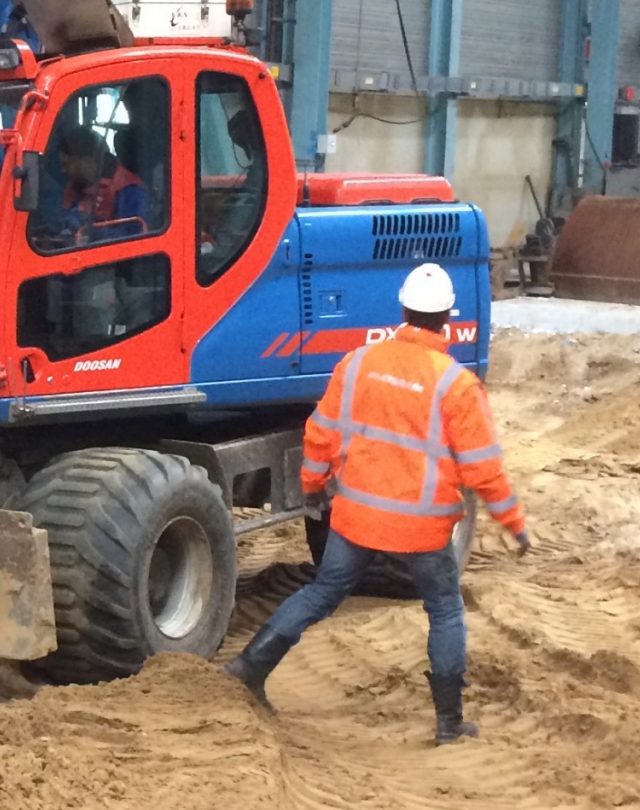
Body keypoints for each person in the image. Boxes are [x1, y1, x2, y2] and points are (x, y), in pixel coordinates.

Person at [220, 263, 530, 746]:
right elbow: (482, 469)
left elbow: (320, 432)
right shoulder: (456, 385)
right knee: (445, 610)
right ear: (447, 316)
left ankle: (249, 666)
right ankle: (449, 723)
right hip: (422, 532)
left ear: (403, 310)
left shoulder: (359, 363)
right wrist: (514, 523)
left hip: (355, 519)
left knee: (322, 593)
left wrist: (312, 485)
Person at [48, 121, 149, 246]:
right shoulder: (76, 185)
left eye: (67, 164)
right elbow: (61, 219)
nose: (64, 170)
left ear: (86, 160)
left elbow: (135, 237)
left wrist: (93, 230)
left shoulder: (129, 188)